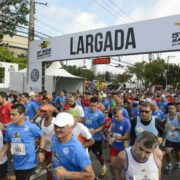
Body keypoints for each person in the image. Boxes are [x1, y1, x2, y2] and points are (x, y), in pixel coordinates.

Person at [0, 103, 46, 180]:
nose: (11, 117)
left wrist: (41, 151)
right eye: (10, 114)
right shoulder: (9, 128)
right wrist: (1, 154)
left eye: (14, 114)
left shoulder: (31, 126)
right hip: (16, 162)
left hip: (28, 163)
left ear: (22, 115)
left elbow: (42, 135)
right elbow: (8, 143)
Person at [51, 112, 94, 180]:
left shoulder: (77, 149)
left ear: (70, 127)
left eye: (61, 127)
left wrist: (66, 174)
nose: (57, 129)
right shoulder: (54, 138)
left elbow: (90, 175)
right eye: (56, 126)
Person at [84, 96, 107, 176]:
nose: (92, 107)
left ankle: (104, 166)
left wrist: (95, 131)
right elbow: (83, 120)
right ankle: (88, 172)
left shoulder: (100, 114)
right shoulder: (85, 110)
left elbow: (103, 126)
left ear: (98, 105)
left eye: (94, 106)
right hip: (86, 138)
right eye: (91, 105)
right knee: (85, 155)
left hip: (96, 138)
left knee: (99, 155)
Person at [108, 107, 131, 177]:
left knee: (121, 167)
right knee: (112, 165)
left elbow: (127, 137)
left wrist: (114, 138)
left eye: (117, 116)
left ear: (122, 114)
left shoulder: (126, 122)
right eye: (114, 116)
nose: (116, 118)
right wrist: (110, 134)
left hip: (124, 147)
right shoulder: (113, 119)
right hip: (115, 146)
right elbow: (112, 129)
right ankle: (115, 177)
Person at [163, 102, 180, 173]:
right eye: (169, 108)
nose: (170, 110)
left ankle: (178, 162)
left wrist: (176, 128)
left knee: (177, 153)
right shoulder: (166, 116)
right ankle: (169, 165)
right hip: (169, 138)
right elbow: (162, 123)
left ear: (176, 109)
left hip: (178, 139)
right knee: (167, 151)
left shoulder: (179, 116)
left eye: (172, 108)